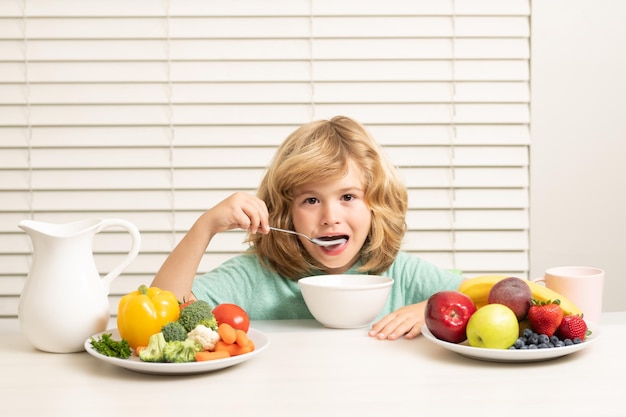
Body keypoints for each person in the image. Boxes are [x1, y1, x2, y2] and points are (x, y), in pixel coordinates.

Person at [151, 115, 463, 340]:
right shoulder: (254, 276)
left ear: (374, 204)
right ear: (286, 213)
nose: (330, 216)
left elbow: (496, 300)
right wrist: (203, 227)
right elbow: (158, 316)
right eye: (311, 200)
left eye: (347, 197)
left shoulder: (401, 274)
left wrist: (427, 310)